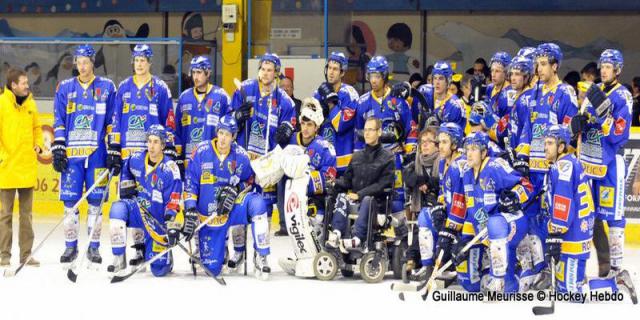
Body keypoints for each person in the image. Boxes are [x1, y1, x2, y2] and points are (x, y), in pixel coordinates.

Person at [542, 124, 636, 303]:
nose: (545, 147)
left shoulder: (563, 168)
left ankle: (617, 283)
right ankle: (579, 279)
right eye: (545, 143)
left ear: (561, 147)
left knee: (572, 295)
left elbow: (563, 207)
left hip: (573, 238)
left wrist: (555, 233)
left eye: (550, 143)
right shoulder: (568, 162)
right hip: (577, 233)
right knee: (564, 290)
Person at [107, 44, 175, 267]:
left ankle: (154, 245)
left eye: (143, 60)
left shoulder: (161, 88)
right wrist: (114, 149)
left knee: (150, 202)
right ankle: (136, 249)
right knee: (130, 201)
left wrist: (170, 148)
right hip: (128, 159)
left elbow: (169, 121)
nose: (139, 64)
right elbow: (116, 120)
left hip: (152, 159)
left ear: (150, 62)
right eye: (136, 60)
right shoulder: (124, 87)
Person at [439, 131, 532, 292]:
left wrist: (513, 197)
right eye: (467, 149)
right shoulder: (466, 173)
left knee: (494, 223)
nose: (469, 153)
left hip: (511, 222)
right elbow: (472, 213)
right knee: (470, 284)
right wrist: (464, 242)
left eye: (474, 149)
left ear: (484, 152)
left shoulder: (495, 166)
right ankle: (500, 271)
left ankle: (510, 274)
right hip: (486, 230)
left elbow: (527, 185)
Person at [228, 53, 295, 269]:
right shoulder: (245, 89)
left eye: (270, 70)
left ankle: (261, 252)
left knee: (263, 210)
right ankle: (238, 251)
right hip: (243, 158)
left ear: (276, 73)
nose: (265, 73)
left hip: (267, 163)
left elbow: (289, 126)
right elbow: (228, 121)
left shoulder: (284, 100)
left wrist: (285, 131)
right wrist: (238, 116)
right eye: (263, 69)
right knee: (238, 205)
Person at [184, 114, 271, 279]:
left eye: (227, 135)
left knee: (258, 204)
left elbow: (251, 180)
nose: (223, 139)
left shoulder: (241, 156)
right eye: (221, 133)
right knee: (212, 269)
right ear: (217, 132)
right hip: (209, 216)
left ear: (234, 136)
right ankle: (220, 250)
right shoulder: (201, 152)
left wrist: (238, 188)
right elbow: (190, 183)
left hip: (233, 208)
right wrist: (189, 210)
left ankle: (262, 256)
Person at [52, 44, 117, 264]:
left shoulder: (107, 87)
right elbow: (59, 119)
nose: (81, 66)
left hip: (97, 154)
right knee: (70, 203)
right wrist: (58, 147)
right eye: (78, 62)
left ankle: (93, 247)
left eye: (85, 62)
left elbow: (112, 122)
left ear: (92, 63)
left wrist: (113, 148)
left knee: (96, 204)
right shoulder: (65, 87)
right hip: (72, 156)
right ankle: (70, 247)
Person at [570, 49, 632, 278]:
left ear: (618, 70)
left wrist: (604, 116)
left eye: (609, 66)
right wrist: (576, 125)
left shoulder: (622, 96)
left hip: (610, 164)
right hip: (588, 163)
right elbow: (581, 123)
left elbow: (618, 133)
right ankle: (599, 264)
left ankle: (616, 268)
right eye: (602, 66)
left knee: (614, 216)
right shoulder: (592, 93)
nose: (604, 70)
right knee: (590, 215)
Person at [528, 43, 578, 289]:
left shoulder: (565, 93)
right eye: (537, 63)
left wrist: (557, 165)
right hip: (535, 168)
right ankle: (544, 268)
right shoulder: (536, 90)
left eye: (544, 64)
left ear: (555, 66)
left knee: (557, 217)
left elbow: (569, 135)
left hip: (554, 168)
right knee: (538, 219)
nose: (539, 68)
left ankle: (563, 269)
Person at [107, 125, 183, 276]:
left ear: (163, 145)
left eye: (156, 142)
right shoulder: (136, 159)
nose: (151, 146)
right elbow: (126, 170)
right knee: (117, 209)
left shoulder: (171, 169)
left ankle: (166, 258)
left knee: (159, 270)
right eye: (149, 141)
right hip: (138, 210)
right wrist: (126, 185)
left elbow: (174, 200)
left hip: (157, 220)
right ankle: (119, 257)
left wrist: (172, 225)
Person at [277, 99, 337, 272]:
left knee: (314, 224)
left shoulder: (325, 147)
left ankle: (318, 256)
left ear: (316, 126)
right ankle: (300, 257)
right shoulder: (291, 142)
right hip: (294, 198)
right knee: (294, 226)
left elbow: (329, 178)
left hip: (317, 199)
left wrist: (305, 180)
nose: (305, 128)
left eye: (310, 124)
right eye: (303, 123)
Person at [355, 56, 414, 215]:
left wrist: (411, 152)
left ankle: (398, 233)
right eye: (371, 76)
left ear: (385, 76)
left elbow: (410, 127)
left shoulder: (399, 100)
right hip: (372, 159)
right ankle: (373, 231)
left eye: (377, 76)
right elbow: (359, 134)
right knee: (372, 195)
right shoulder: (362, 103)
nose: (373, 80)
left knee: (397, 197)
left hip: (395, 157)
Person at [326, 117, 395, 250]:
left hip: (376, 204)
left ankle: (356, 239)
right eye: (365, 130)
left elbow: (383, 185)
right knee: (341, 196)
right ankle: (336, 234)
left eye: (371, 130)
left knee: (368, 200)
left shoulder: (388, 157)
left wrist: (360, 194)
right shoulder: (357, 156)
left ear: (379, 132)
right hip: (356, 201)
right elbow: (347, 181)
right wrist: (335, 183)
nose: (367, 133)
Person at [0, 68, 43, 267]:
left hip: (26, 166)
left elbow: (37, 129)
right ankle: (4, 256)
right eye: (24, 83)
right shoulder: (1, 104)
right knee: (5, 215)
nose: (27, 86)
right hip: (7, 168)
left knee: (26, 215)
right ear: (13, 85)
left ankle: (26, 255)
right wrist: (2, 157)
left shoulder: (31, 104)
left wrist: (38, 144)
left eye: (27, 82)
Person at [410, 123, 463, 281]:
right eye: (439, 142)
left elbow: (463, 202)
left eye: (444, 142)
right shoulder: (442, 163)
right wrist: (440, 205)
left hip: (464, 219)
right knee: (425, 215)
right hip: (450, 212)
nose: (440, 146)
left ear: (454, 143)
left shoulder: (460, 166)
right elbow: (443, 191)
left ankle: (448, 264)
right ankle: (427, 266)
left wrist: (450, 227)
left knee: (469, 282)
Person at [174, 56, 232, 171]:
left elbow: (230, 128)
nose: (195, 77)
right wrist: (178, 155)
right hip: (189, 159)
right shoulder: (184, 97)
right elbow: (177, 130)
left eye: (199, 72)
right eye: (193, 72)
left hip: (213, 158)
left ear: (208, 72)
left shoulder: (221, 96)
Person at [313, 52, 359, 176]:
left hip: (343, 160)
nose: (331, 72)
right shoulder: (318, 94)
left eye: (335, 69)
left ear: (342, 72)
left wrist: (331, 103)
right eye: (329, 68)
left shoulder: (350, 94)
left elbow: (341, 125)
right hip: (324, 159)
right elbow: (312, 127)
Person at [417, 61, 466, 130]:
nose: (437, 82)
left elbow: (456, 135)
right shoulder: (425, 94)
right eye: (435, 78)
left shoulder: (455, 105)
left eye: (441, 78)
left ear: (448, 81)